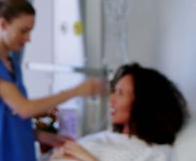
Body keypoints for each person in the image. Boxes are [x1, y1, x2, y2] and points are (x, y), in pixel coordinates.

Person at [0, 0, 102, 161]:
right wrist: (77, 90)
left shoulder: (12, 65)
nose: (28, 38)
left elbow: (11, 118)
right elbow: (23, 109)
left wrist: (44, 137)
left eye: (30, 31)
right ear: (2, 24)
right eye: (23, 30)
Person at [50, 62, 189, 161]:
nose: (111, 99)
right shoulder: (102, 137)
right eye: (113, 91)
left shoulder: (158, 153)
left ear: (142, 104)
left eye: (120, 93)